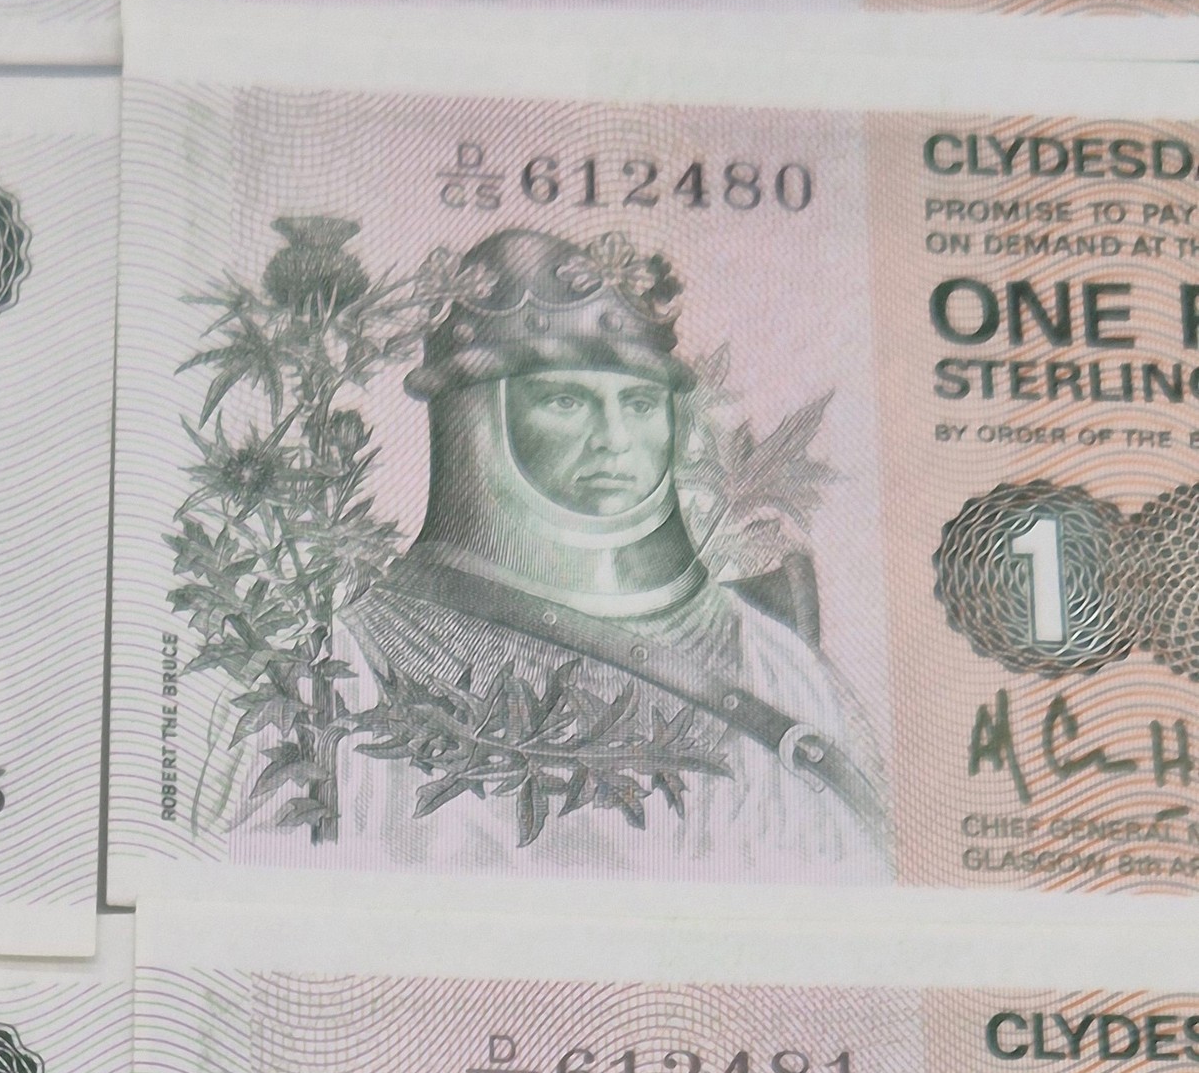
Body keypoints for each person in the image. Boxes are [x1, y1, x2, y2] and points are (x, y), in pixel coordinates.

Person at [345, 227, 887, 880]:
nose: (616, 439)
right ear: (477, 420)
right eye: (565, 400)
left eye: (638, 402)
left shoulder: (774, 663)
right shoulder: (352, 665)